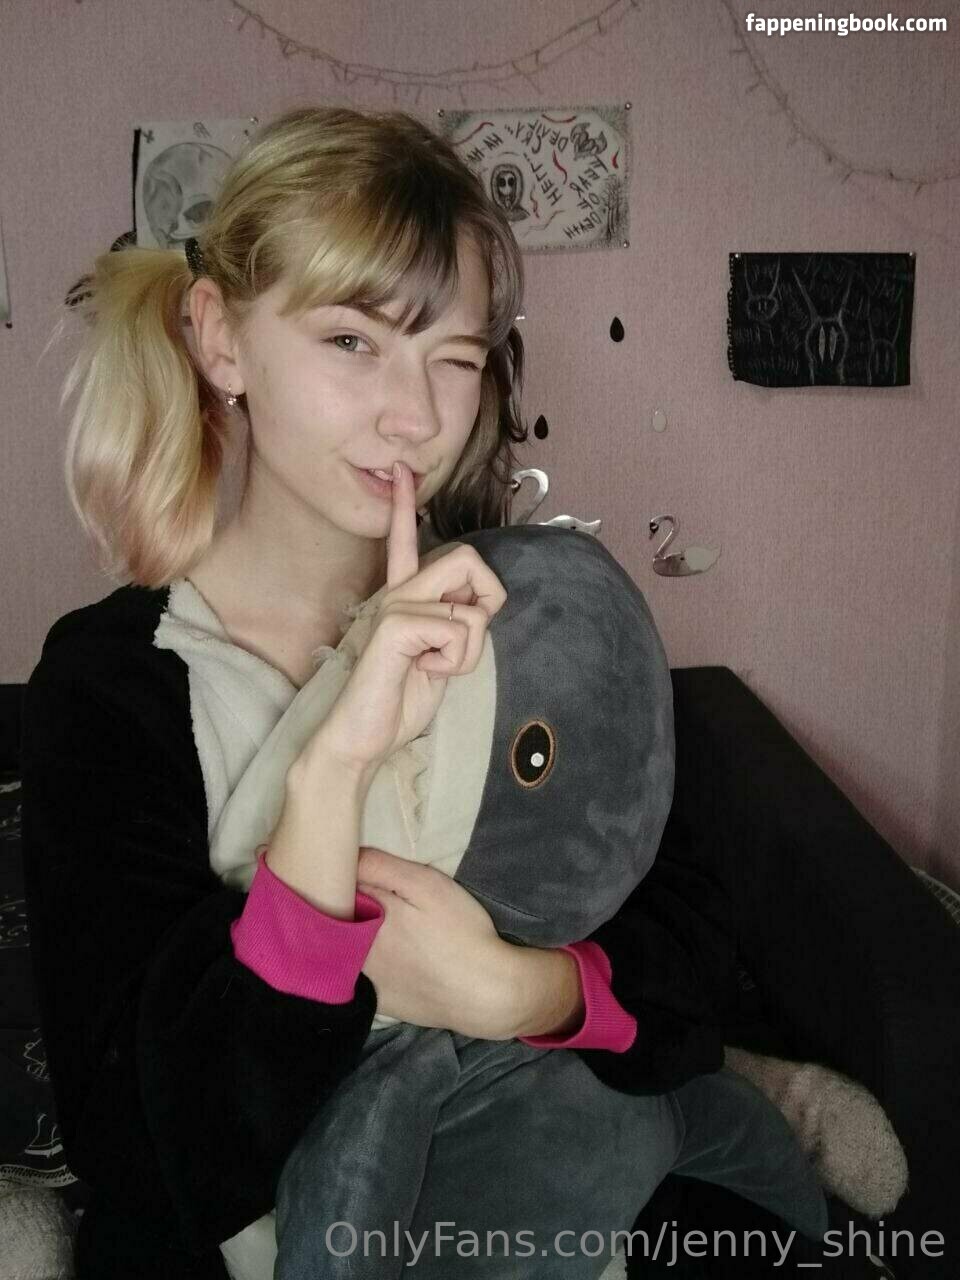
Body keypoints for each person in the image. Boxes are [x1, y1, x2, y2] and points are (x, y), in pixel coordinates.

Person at [20, 106, 782, 1280]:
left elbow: (694, 957)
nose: (417, 417)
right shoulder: (112, 682)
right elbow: (148, 1154)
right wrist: (332, 773)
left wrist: (520, 987)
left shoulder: (523, 611)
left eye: (455, 357)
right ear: (221, 340)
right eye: (352, 341)